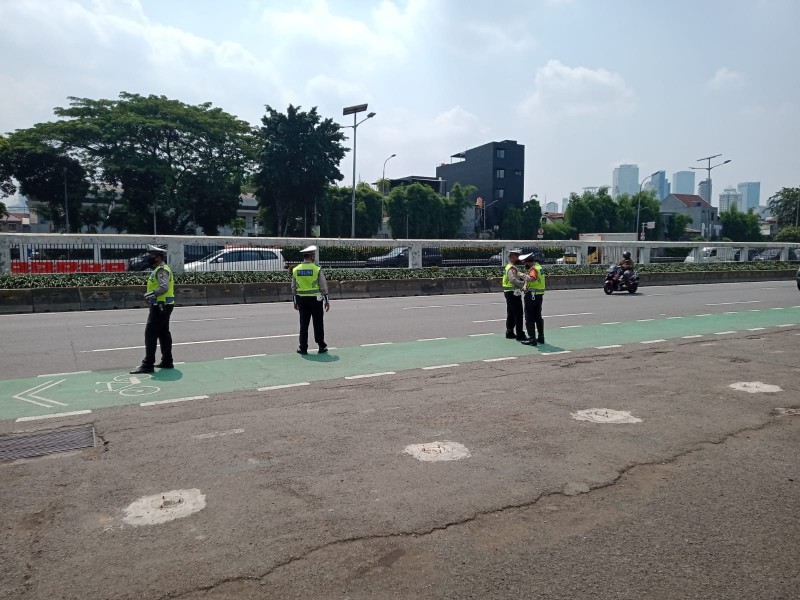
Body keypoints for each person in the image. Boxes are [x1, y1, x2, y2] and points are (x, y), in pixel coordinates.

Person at [130, 245, 175, 374]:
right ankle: (167, 361)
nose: (149, 258)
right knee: (163, 333)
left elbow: (164, 287)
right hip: (163, 305)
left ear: (158, 257)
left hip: (160, 306)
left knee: (150, 334)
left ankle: (147, 364)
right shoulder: (160, 269)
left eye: (152, 256)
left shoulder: (161, 270)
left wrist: (149, 295)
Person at [292, 245, 330, 355]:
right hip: (315, 300)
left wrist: (295, 302)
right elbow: (323, 286)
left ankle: (303, 347)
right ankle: (321, 345)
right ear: (311, 256)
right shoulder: (316, 269)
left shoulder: (296, 269)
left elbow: (293, 287)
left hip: (302, 300)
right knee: (318, 323)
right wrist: (326, 300)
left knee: (303, 324)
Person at [519, 251, 546, 345]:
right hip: (539, 295)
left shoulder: (534, 269)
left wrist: (521, 275)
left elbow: (532, 278)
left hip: (532, 296)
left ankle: (532, 339)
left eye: (525, 263)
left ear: (529, 261)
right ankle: (541, 337)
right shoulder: (539, 267)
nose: (524, 264)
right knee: (538, 317)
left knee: (529, 317)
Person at [502, 248, 528, 342]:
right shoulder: (512, 268)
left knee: (511, 313)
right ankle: (520, 334)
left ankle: (509, 332)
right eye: (517, 256)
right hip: (513, 293)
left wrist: (523, 276)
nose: (518, 258)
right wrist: (522, 284)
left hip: (509, 292)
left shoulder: (510, 266)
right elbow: (513, 280)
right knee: (518, 314)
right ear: (512, 257)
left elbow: (517, 275)